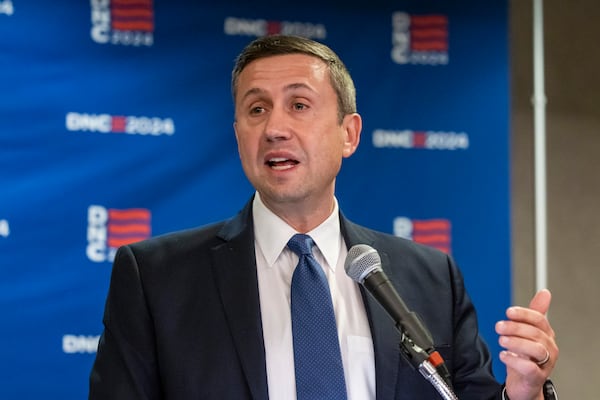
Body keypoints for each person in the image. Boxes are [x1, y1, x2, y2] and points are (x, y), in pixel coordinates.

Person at [89, 34, 558, 400]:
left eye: (299, 105)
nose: (275, 128)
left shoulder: (431, 278)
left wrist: (522, 393)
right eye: (256, 109)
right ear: (238, 135)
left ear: (348, 134)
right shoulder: (156, 278)